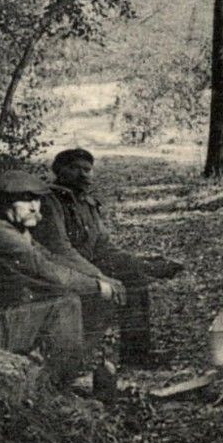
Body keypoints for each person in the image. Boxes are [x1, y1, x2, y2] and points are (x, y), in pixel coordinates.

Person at [0, 169, 122, 383]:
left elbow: (52, 258)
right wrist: (97, 286)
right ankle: (59, 386)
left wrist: (99, 279)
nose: (34, 207)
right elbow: (48, 273)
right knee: (67, 304)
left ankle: (61, 372)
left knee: (76, 298)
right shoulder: (3, 237)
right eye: (26, 200)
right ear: (5, 203)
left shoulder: (16, 230)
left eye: (36, 199)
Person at [37, 148, 182, 366]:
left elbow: (104, 246)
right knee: (127, 279)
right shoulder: (51, 202)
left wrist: (139, 263)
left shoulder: (87, 203)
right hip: (59, 269)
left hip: (85, 264)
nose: (83, 175)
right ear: (60, 171)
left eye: (88, 170)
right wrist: (100, 277)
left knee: (134, 276)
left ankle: (136, 354)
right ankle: (132, 355)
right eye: (75, 168)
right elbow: (61, 251)